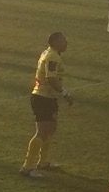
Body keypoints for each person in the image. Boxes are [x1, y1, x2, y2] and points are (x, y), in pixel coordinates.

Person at [21, 32, 73, 177]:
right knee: (42, 131)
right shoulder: (52, 57)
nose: (66, 43)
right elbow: (51, 79)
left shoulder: (49, 53)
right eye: (63, 41)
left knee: (50, 129)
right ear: (55, 42)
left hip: (47, 97)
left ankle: (43, 162)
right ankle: (27, 167)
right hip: (42, 97)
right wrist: (65, 93)